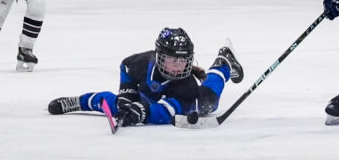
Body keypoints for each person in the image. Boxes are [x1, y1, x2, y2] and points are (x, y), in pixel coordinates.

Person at [47, 28, 244, 127]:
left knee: (209, 99)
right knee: (117, 105)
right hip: (149, 95)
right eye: (172, 61)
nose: (178, 67)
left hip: (185, 102)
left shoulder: (188, 87)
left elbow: (166, 113)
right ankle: (78, 102)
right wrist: (127, 93)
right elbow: (126, 67)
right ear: (159, 57)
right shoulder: (141, 63)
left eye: (183, 62)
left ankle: (223, 62)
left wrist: (142, 113)